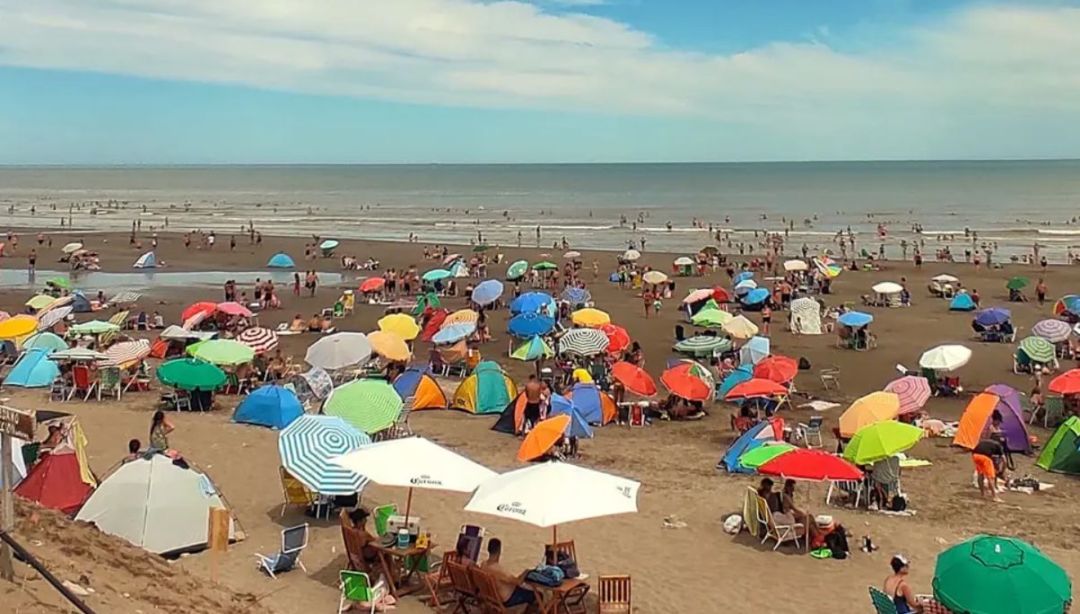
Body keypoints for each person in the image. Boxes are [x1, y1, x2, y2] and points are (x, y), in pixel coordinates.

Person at [479, 538, 538, 611]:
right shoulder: (498, 570)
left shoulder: (483, 565)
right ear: (499, 551)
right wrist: (526, 572)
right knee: (536, 595)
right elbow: (518, 582)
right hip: (507, 598)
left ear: (488, 549)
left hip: (493, 596)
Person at [972, 437, 1005, 502]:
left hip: (975, 455)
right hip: (984, 458)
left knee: (980, 474)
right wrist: (1002, 470)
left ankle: (982, 494)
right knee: (990, 477)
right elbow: (1005, 460)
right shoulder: (999, 446)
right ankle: (995, 497)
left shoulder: (987, 442)